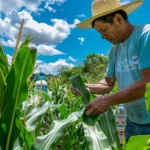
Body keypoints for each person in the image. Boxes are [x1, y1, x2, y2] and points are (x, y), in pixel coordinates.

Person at [72, 0, 150, 142]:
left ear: (118, 19)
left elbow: (148, 82)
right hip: (132, 122)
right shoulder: (114, 51)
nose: (102, 37)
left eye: (104, 30)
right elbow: (108, 84)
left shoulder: (146, 36)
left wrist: (108, 100)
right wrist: (85, 88)